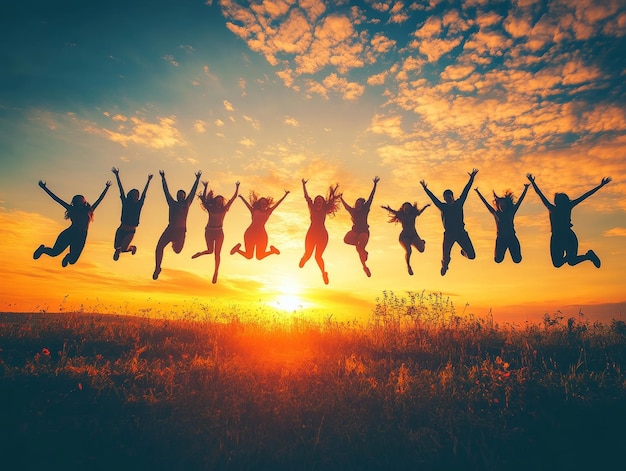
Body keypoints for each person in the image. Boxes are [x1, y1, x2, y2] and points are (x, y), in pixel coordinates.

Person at [526, 173, 611, 268]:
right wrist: (601, 185)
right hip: (559, 238)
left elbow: (585, 196)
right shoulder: (563, 207)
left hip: (566, 237)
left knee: (569, 262)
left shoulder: (558, 208)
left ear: (559, 202)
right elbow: (585, 196)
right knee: (561, 263)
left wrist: (533, 182)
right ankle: (585, 256)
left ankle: (588, 256)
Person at [33, 179, 111, 266]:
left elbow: (99, 200)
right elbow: (56, 199)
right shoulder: (72, 209)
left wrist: (106, 187)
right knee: (54, 253)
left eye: (81, 201)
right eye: (78, 202)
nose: (80, 203)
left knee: (72, 261)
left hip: (81, 236)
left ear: (84, 202)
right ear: (75, 203)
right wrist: (44, 188)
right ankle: (42, 249)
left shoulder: (89, 210)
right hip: (70, 233)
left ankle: (67, 257)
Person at [420, 169, 478, 276]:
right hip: (449, 234)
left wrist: (471, 179)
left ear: (452, 196)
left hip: (461, 232)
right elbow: (434, 199)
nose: (447, 199)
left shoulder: (459, 203)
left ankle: (463, 252)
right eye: (445, 198)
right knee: (445, 256)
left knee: (472, 256)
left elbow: (466, 191)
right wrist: (425, 189)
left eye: (449, 196)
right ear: (444, 199)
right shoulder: (443, 207)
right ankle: (444, 266)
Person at [153, 170, 201, 280]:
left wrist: (197, 180)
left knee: (178, 251)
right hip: (170, 229)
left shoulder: (187, 203)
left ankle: (174, 243)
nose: (180, 196)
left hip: (180, 231)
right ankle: (157, 268)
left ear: (184, 196)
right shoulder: (172, 203)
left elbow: (192, 192)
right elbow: (166, 192)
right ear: (177, 196)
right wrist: (163, 178)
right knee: (159, 247)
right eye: (178, 195)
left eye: (182, 195)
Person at [192, 180, 240, 283]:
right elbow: (204, 200)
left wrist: (237, 188)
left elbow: (233, 199)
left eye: (220, 200)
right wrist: (205, 187)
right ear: (215, 201)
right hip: (209, 232)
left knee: (217, 254)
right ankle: (200, 253)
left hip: (219, 233)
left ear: (222, 202)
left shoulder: (224, 209)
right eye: (217, 200)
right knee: (210, 251)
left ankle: (216, 272)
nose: (219, 201)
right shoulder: (211, 208)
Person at [299, 179, 342, 284]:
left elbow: (331, 199)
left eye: (320, 201)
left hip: (322, 235)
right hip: (311, 234)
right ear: (314, 202)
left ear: (323, 203)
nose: (318, 202)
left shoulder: (324, 210)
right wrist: (303, 185)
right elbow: (306, 197)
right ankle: (304, 258)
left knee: (318, 256)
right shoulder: (312, 208)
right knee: (308, 254)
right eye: (317, 200)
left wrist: (335, 188)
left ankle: (324, 273)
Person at [475, 184, 529, 264]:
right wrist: (477, 192)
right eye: (501, 204)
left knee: (517, 260)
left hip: (511, 238)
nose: (502, 206)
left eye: (504, 204)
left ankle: (516, 255)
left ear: (506, 205)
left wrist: (526, 188)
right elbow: (486, 203)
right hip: (501, 239)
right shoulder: (496, 213)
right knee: (498, 260)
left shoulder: (511, 211)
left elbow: (520, 200)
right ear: (498, 205)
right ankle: (499, 255)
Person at [230, 188, 289, 260]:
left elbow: (277, 204)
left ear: (266, 204)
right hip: (250, 233)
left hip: (261, 235)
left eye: (264, 203)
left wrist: (285, 195)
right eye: (261, 203)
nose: (263, 205)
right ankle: (237, 249)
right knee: (249, 256)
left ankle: (272, 251)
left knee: (259, 256)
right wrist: (241, 197)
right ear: (259, 204)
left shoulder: (268, 211)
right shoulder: (254, 210)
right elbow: (247, 205)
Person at [340, 176, 379, 277]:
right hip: (355, 231)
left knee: (359, 250)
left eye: (359, 203)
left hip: (364, 232)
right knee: (346, 240)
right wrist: (341, 198)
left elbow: (371, 198)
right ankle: (363, 252)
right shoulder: (353, 211)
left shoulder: (365, 209)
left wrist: (375, 185)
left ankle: (364, 267)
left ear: (362, 205)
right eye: (356, 203)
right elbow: (346, 207)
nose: (358, 205)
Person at [111, 167, 153, 261]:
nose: (136, 196)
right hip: (121, 229)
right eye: (134, 194)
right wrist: (117, 176)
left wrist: (148, 181)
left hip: (131, 230)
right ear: (130, 195)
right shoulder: (125, 202)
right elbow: (121, 190)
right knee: (117, 247)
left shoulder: (139, 204)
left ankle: (126, 249)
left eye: (137, 195)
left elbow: (144, 194)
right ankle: (131, 248)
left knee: (122, 248)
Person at [381, 201, 430, 275]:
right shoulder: (400, 215)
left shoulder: (413, 214)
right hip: (404, 237)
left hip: (413, 235)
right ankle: (408, 266)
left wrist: (425, 206)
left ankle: (422, 242)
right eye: (405, 207)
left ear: (410, 208)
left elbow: (420, 212)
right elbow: (393, 211)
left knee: (421, 250)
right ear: (403, 208)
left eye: (407, 207)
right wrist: (387, 208)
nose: (406, 208)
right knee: (409, 251)